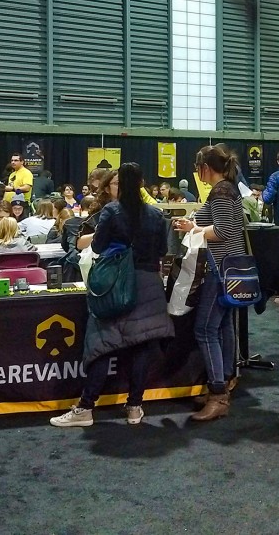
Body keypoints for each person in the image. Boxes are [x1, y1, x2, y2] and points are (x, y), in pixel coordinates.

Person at [51, 163, 174, 428]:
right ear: (141, 183)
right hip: (149, 283)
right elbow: (163, 250)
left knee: (103, 344)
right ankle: (134, 407)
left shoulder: (111, 211)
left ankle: (86, 408)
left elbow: (97, 246)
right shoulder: (155, 214)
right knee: (141, 345)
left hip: (116, 283)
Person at [173, 144, 246, 422]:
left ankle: (218, 395)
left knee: (205, 329)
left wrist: (194, 228)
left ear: (205, 168)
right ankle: (224, 381)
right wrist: (195, 225)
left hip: (221, 268)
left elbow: (223, 231)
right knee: (223, 326)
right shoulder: (227, 188)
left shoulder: (221, 191)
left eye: (197, 168)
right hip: (227, 267)